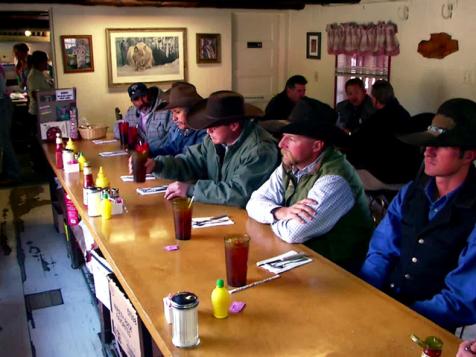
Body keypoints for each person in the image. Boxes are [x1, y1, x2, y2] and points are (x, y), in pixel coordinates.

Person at [359, 98, 476, 332]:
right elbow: (382, 250)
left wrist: (403, 316)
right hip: (384, 306)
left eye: (440, 146)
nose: (427, 151)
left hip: (430, 326)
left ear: (468, 155)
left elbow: (462, 297)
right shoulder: (412, 192)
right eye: (427, 143)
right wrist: (366, 295)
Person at [246, 97, 373, 271]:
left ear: (316, 146)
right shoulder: (291, 165)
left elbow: (294, 232)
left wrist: (269, 217)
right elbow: (253, 203)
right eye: (283, 137)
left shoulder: (335, 179)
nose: (281, 144)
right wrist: (280, 212)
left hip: (338, 272)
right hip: (301, 258)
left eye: (291, 139)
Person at [138, 90, 279, 207]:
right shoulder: (213, 140)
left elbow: (239, 194)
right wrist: (156, 165)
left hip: (251, 224)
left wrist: (190, 189)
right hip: (223, 212)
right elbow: (189, 162)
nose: (207, 131)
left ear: (234, 125)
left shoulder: (260, 150)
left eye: (213, 126)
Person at [347, 80, 421, 185]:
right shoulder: (403, 113)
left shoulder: (378, 119)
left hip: (388, 176)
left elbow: (356, 143)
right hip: (410, 174)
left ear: (376, 100)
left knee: (344, 171)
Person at [114, 82, 172, 156]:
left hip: (162, 157)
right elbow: (117, 129)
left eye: (143, 96)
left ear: (148, 93)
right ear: (132, 101)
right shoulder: (131, 112)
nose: (141, 102)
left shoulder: (166, 111)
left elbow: (175, 140)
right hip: (138, 157)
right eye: (136, 99)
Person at [155, 82, 206, 156]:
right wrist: (148, 154)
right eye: (172, 113)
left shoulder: (204, 135)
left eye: (177, 112)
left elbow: (190, 162)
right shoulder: (186, 130)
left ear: (193, 111)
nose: (174, 118)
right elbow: (172, 148)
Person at [0, 63, 19, 182]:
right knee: (3, 140)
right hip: (3, 103)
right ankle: (9, 172)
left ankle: (14, 173)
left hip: (2, 104)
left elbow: (1, 90)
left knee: (3, 140)